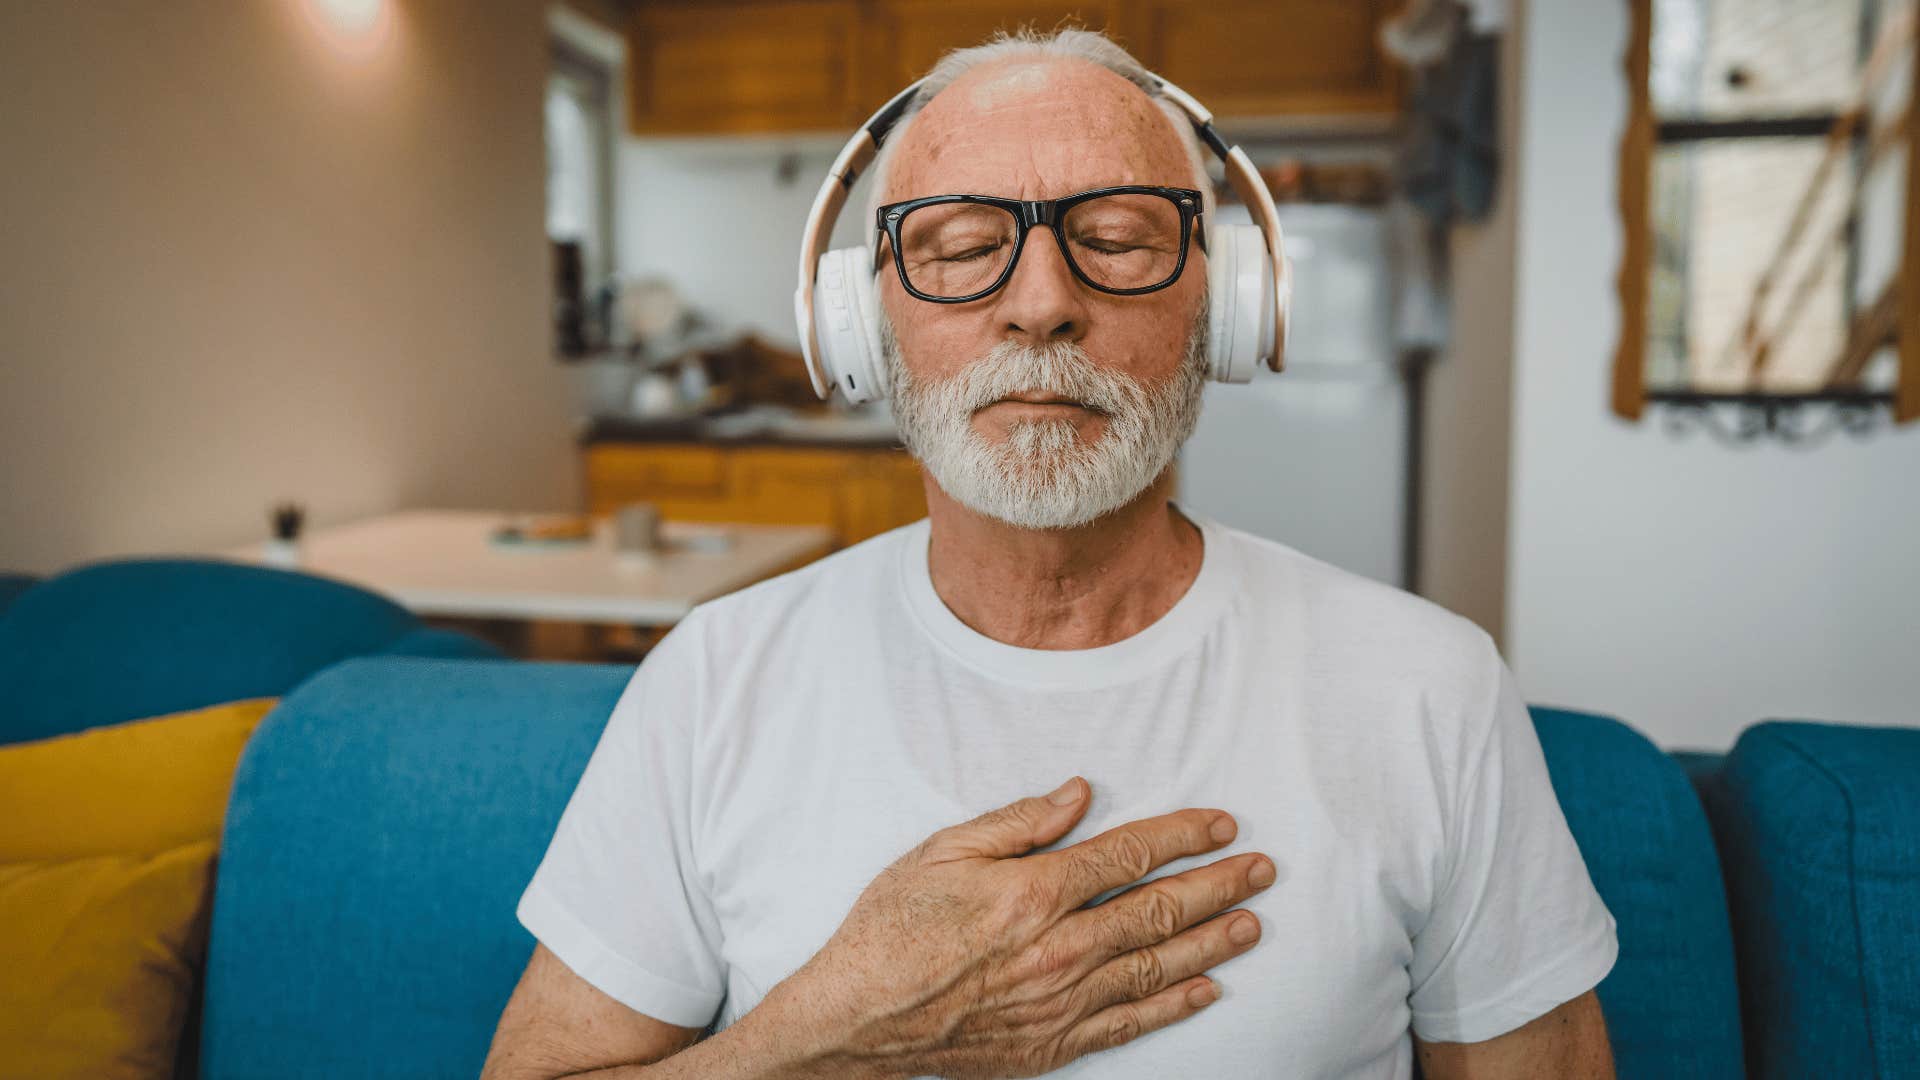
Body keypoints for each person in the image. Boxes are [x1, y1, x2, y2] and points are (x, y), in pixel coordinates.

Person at [483, 27, 1616, 1080]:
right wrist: (833, 1037)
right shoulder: (712, 678)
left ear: (1226, 307)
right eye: (965, 246)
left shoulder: (1430, 688)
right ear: (859, 326)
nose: (1040, 303)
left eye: (1117, 240)